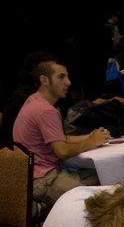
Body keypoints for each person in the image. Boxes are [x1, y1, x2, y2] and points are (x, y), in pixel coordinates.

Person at [12, 57, 108, 205]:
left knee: (103, 175)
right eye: (61, 77)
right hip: (41, 179)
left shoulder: (34, 100)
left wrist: (91, 136)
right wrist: (91, 142)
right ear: (44, 80)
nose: (68, 82)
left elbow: (59, 138)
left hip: (31, 175)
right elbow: (62, 151)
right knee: (94, 201)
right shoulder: (46, 110)